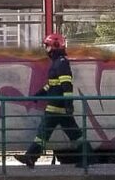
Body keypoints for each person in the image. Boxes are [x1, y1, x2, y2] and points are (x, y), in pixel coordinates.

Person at [14, 33, 86, 168]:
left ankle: (30, 157)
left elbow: (66, 85)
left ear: (56, 46)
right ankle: (88, 157)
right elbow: (53, 84)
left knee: (44, 133)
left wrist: (68, 104)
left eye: (47, 47)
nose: (46, 50)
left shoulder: (61, 63)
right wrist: (39, 95)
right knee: (74, 134)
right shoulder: (58, 63)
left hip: (57, 107)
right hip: (58, 107)